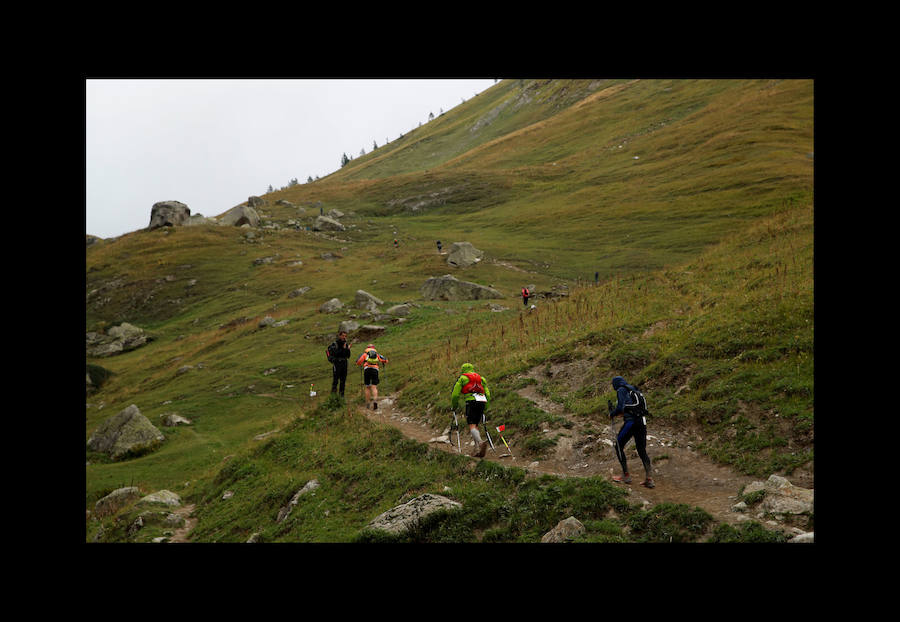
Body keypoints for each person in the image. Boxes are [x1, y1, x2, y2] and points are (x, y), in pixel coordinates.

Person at [608, 376, 654, 488]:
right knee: (641, 450)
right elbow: (630, 409)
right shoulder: (634, 389)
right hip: (642, 422)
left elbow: (620, 408)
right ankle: (649, 479)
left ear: (616, 384)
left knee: (618, 446)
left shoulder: (621, 390)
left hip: (631, 423)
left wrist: (612, 413)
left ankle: (626, 475)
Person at [450, 363, 491, 457]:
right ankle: (477, 450)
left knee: (472, 424)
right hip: (482, 401)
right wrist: (486, 406)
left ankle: (480, 443)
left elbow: (455, 394)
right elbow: (487, 394)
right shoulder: (481, 379)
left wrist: (454, 406)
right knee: (476, 424)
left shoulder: (463, 378)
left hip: (471, 402)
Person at [356, 343, 388, 409]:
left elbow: (358, 362)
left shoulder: (365, 354)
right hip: (375, 370)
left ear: (367, 348)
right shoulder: (377, 354)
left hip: (367, 369)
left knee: (367, 387)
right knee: (374, 387)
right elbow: (385, 360)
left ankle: (368, 403)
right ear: (374, 348)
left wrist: (363, 362)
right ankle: (375, 401)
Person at [325, 330, 352, 397]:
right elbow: (335, 353)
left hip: (344, 363)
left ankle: (341, 397)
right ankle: (333, 397)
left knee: (343, 381)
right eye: (343, 336)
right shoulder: (335, 344)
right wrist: (343, 349)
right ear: (339, 336)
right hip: (337, 364)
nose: (344, 337)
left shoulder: (346, 344)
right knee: (335, 381)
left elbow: (348, 356)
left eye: (345, 336)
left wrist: (347, 349)